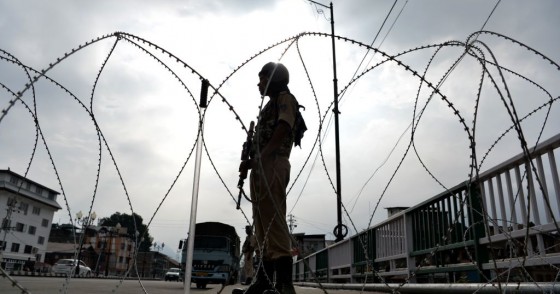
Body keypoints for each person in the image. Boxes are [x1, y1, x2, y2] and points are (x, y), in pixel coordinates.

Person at [237, 62, 297, 294]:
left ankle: (284, 285)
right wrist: (250, 162)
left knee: (275, 222)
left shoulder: (285, 98)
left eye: (262, 78)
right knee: (262, 226)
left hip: (273, 164)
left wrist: (261, 157)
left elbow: (283, 128)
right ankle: (264, 281)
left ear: (273, 79)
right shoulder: (267, 108)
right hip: (260, 168)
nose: (258, 83)